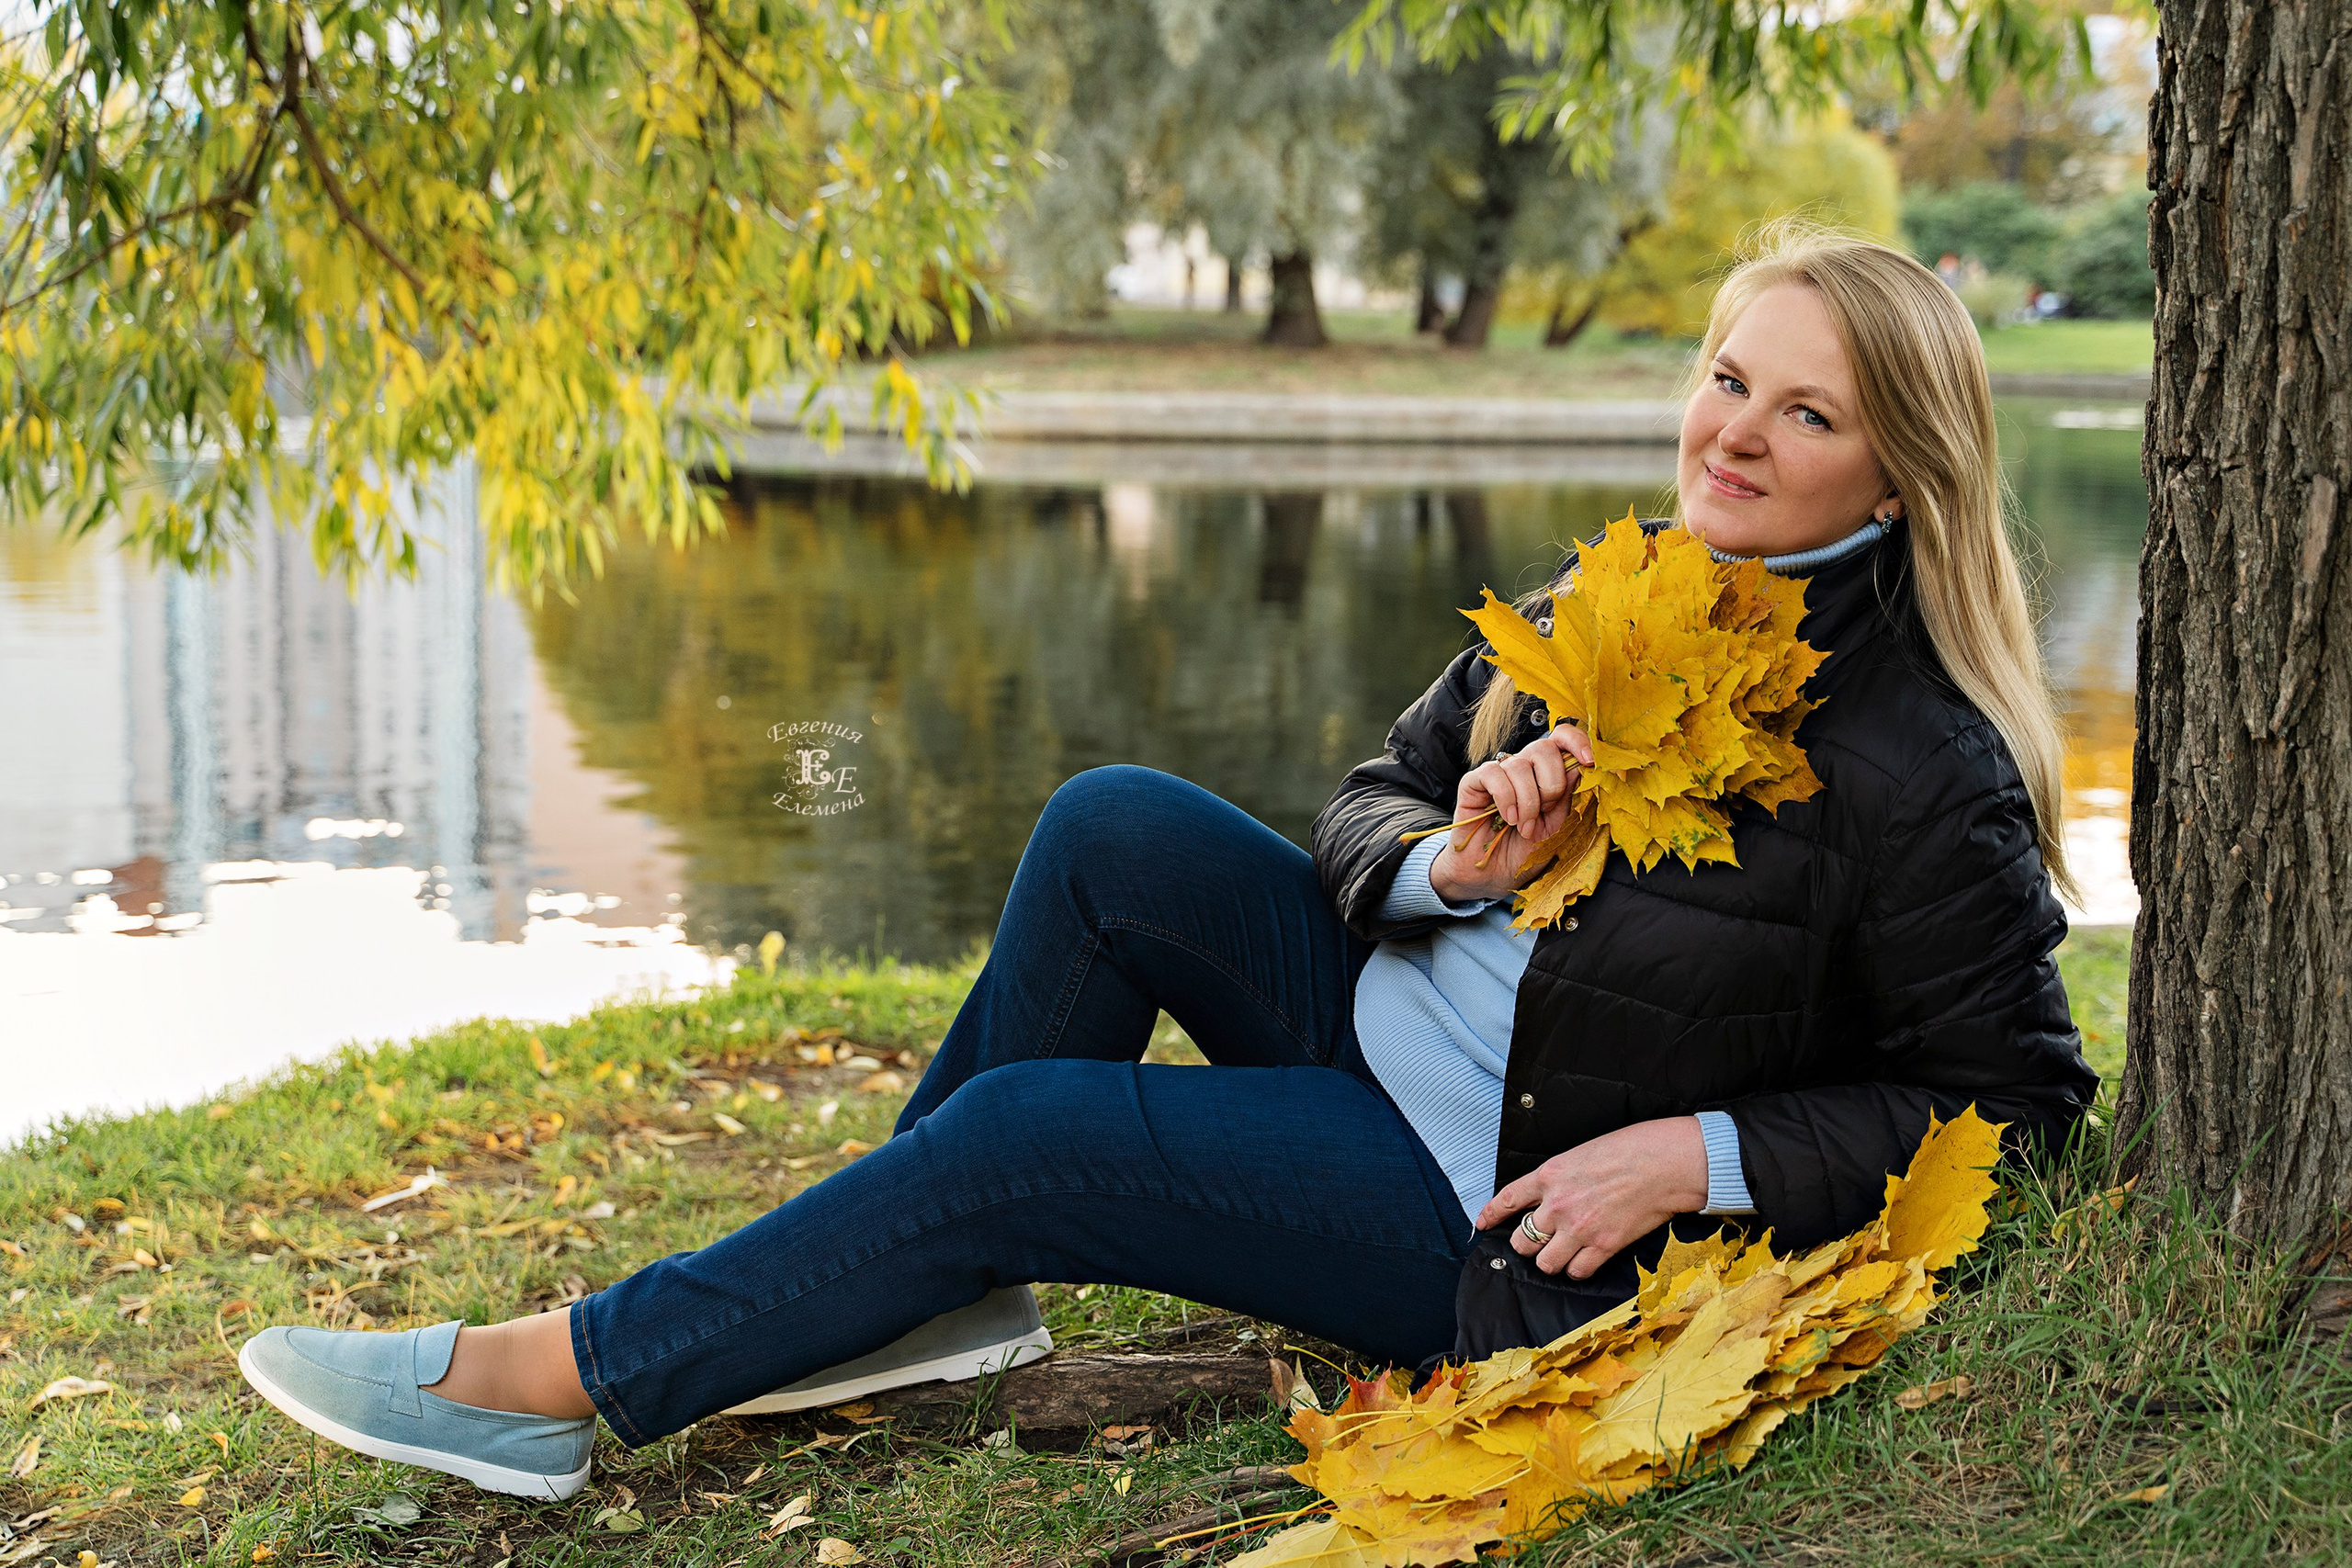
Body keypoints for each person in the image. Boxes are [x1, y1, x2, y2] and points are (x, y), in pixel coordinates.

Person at [234, 220, 2098, 1500]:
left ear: (1897, 472)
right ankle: (923, 1287)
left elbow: (2011, 1104)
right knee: (1109, 819)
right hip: (1384, 1020)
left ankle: (548, 1385)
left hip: (1484, 1198)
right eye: (1723, 375)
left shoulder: (1914, 757)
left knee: (1021, 1135)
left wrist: (1685, 1156)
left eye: (1806, 410)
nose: (1733, 431)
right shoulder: (1608, 587)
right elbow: (1365, 790)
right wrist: (1449, 859)